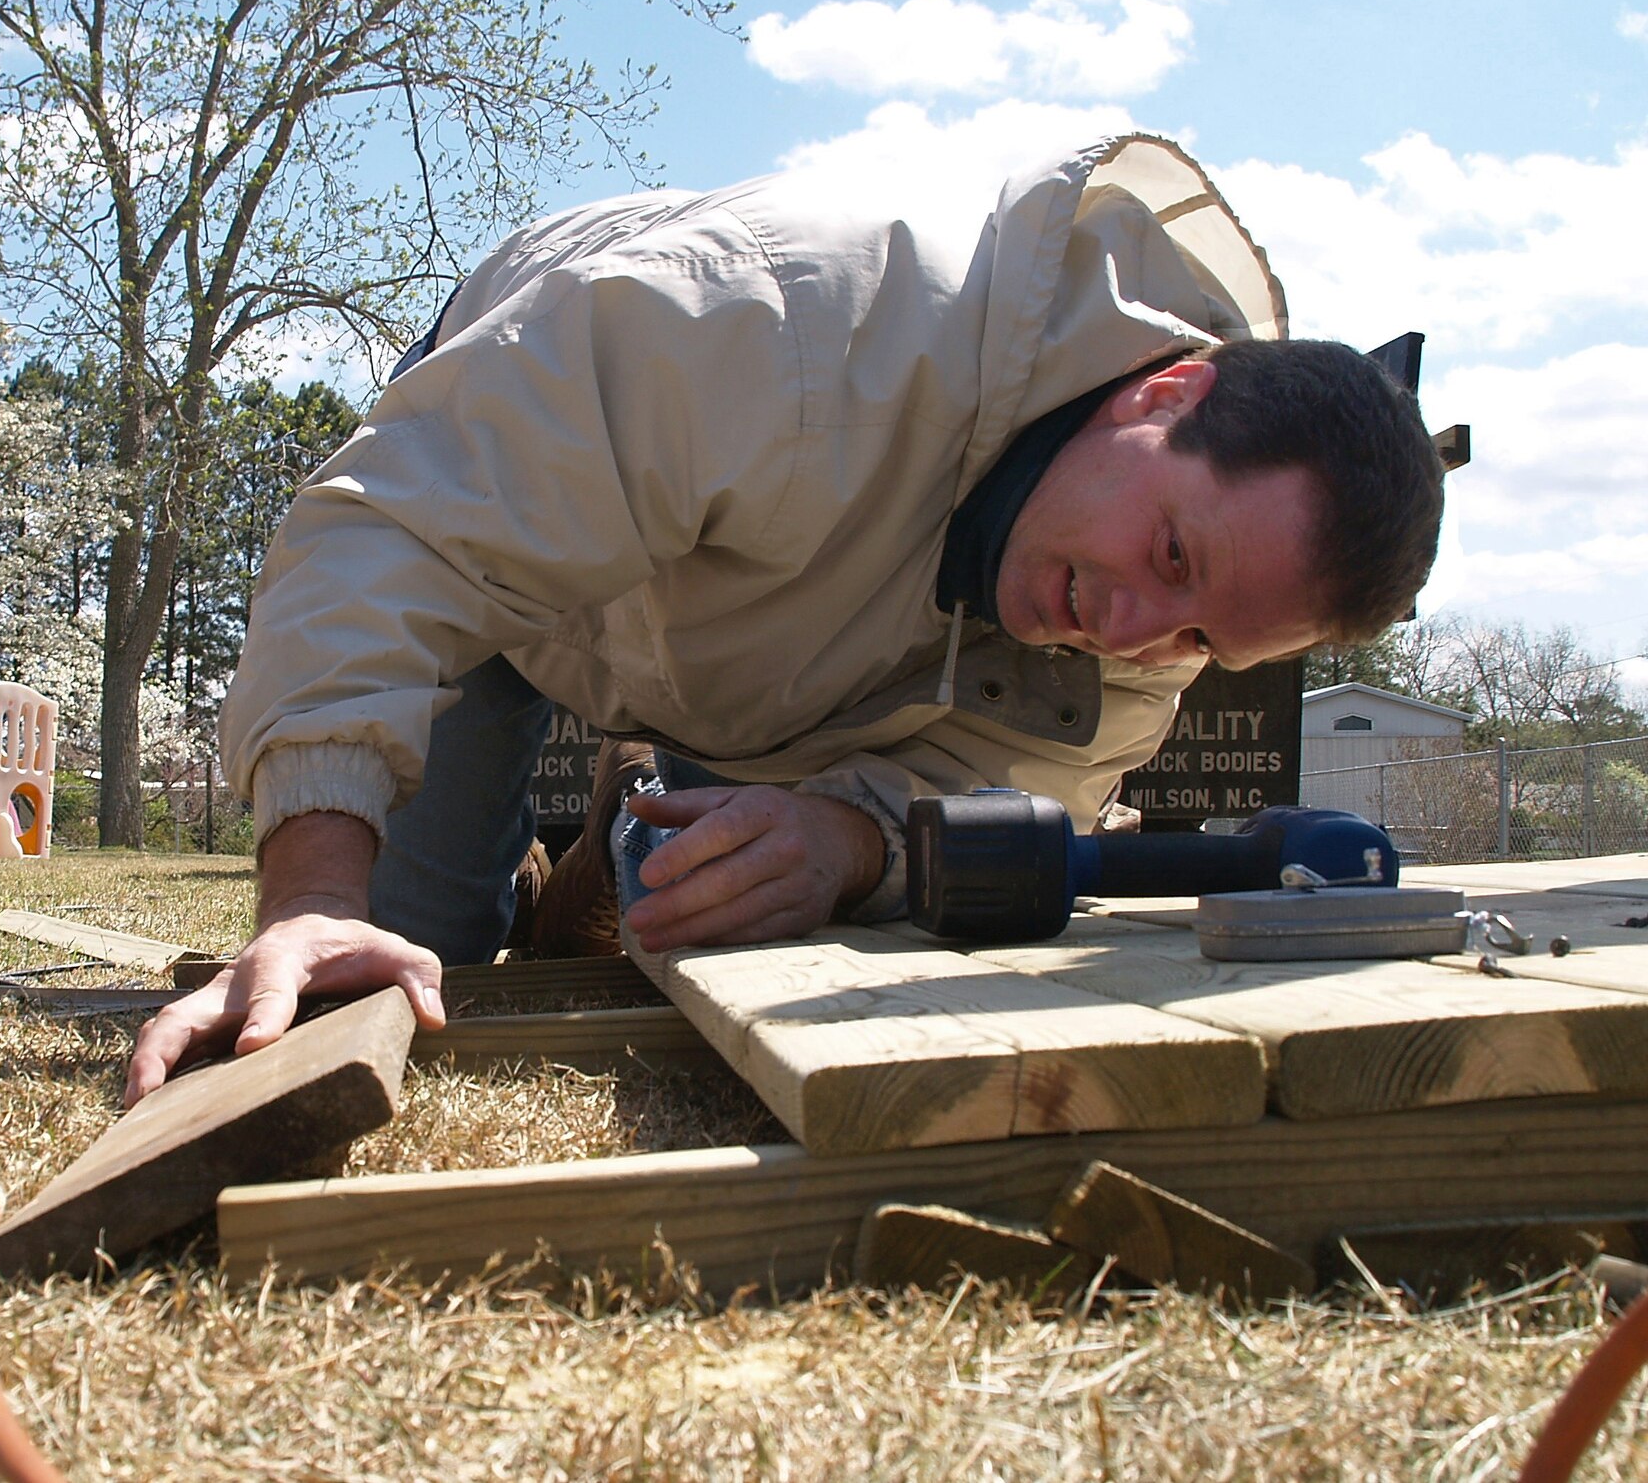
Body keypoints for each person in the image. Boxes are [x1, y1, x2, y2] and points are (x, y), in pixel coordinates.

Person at [124, 133, 1444, 1106]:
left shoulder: (1141, 652)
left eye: (1206, 639)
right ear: (1165, 396)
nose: (1135, 627)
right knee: (397, 965)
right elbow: (400, 529)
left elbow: (997, 797)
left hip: (758, 646)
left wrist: (846, 837)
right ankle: (518, 873)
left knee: (727, 932)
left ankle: (602, 860)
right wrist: (307, 893)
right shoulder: (795, 317)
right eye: (1167, 550)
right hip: (513, 540)